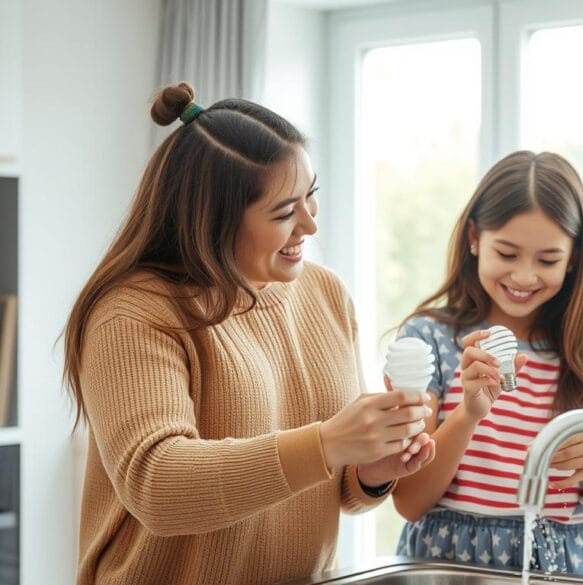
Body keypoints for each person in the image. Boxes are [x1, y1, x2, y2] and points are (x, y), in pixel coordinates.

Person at [62, 82, 435, 585]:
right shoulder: (134, 313)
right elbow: (158, 485)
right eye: (284, 212)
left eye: (311, 196)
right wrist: (327, 444)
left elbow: (330, 485)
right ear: (212, 221)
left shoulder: (324, 294)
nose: (310, 225)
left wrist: (371, 468)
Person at [390, 151, 583, 577]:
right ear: (474, 238)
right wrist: (468, 414)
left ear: (574, 257)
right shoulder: (429, 339)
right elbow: (409, 500)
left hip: (561, 570)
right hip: (445, 564)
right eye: (507, 254)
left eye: (547, 260)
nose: (524, 277)